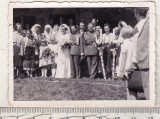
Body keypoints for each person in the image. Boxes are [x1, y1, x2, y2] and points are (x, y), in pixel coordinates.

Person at [132, 8, 149, 100]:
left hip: (144, 59)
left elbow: (135, 44)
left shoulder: (138, 26)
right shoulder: (150, 22)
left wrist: (134, 61)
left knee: (147, 88)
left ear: (137, 14)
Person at [117, 25, 134, 100]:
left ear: (123, 34)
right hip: (132, 66)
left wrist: (121, 71)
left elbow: (123, 58)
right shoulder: (132, 42)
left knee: (127, 87)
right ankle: (133, 99)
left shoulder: (125, 44)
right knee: (132, 87)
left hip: (126, 67)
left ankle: (128, 99)